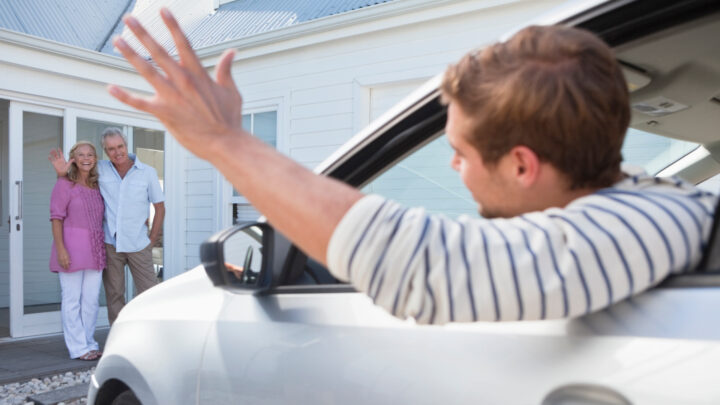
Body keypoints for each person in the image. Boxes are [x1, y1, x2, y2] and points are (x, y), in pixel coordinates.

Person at [107, 10, 716, 323]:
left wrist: (224, 142)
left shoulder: (646, 223)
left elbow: (427, 268)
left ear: (524, 165)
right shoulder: (643, 203)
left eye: (461, 152)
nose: (451, 165)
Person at [49, 129, 165, 324]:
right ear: (105, 151)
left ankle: (149, 336)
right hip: (110, 244)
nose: (117, 152)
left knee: (149, 293)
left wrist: (152, 240)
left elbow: (160, 208)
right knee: (114, 296)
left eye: (120, 146)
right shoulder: (100, 169)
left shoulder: (148, 173)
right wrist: (62, 174)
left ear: (126, 145)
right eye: (111, 149)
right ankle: (120, 340)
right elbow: (76, 183)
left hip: (138, 243)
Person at [50, 142, 105, 360]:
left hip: (95, 249)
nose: (86, 158)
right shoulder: (64, 184)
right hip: (70, 248)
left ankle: (89, 343)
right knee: (72, 299)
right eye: (80, 154)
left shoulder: (97, 186)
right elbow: (56, 218)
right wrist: (61, 250)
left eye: (90, 154)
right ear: (73, 158)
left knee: (91, 300)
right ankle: (78, 348)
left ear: (95, 159)